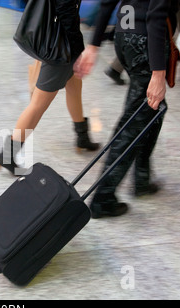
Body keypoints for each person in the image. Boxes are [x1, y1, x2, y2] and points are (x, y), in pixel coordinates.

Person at [74, 0, 179, 219]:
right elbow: (156, 15)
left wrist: (93, 46)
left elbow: (107, 3)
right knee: (134, 120)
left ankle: (142, 178)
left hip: (125, 37)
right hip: (146, 41)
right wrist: (158, 74)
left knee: (152, 109)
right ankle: (103, 198)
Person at [0, 0, 100, 176]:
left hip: (62, 41)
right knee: (38, 104)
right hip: (61, 47)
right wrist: (78, 48)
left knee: (74, 87)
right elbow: (65, 9)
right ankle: (8, 156)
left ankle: (82, 136)